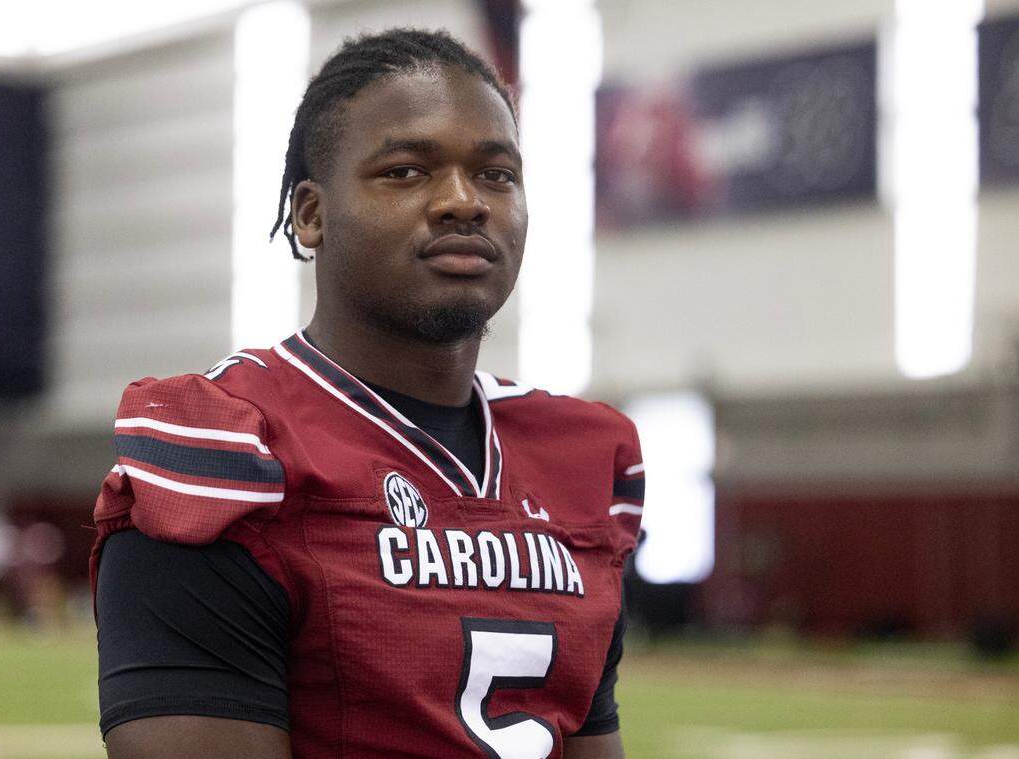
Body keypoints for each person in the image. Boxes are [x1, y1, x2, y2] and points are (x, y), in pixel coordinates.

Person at [91, 28, 645, 759]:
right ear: (311, 213)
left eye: (497, 174)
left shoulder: (579, 452)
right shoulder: (226, 448)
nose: (462, 201)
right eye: (407, 171)